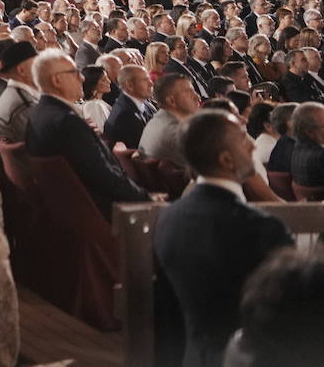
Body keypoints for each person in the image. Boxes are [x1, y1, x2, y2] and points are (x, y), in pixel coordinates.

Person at [153, 110, 293, 367]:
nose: (252, 143)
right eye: (242, 138)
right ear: (227, 159)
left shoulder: (169, 217)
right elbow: (290, 315)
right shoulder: (260, 228)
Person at [25, 49, 150, 218]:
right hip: (99, 211)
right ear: (57, 80)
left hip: (67, 211)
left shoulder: (39, 112)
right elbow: (104, 177)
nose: (82, 78)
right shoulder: (67, 122)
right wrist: (147, 199)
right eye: (75, 73)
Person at [138, 73, 201, 167]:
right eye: (190, 92)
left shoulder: (158, 120)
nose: (197, 97)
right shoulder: (176, 134)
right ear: (171, 101)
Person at [103, 64, 156, 149]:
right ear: (130, 85)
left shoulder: (144, 103)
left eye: (149, 79)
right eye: (145, 80)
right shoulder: (124, 117)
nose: (151, 83)